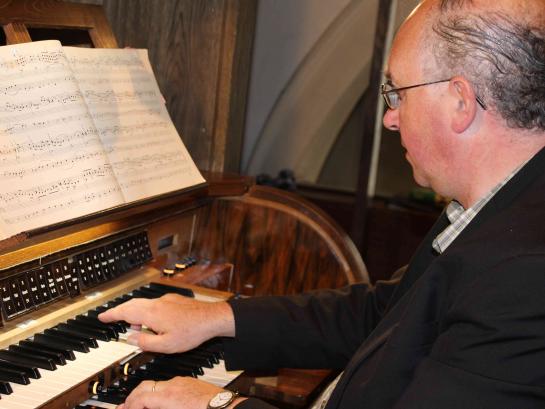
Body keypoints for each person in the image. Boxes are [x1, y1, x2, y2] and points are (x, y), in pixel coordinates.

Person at [99, 0, 545, 407]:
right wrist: (219, 318)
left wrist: (217, 405)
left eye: (398, 94)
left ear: (460, 102)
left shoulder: (522, 271)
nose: (390, 118)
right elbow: (386, 313)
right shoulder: (499, 207)